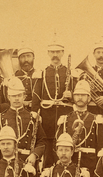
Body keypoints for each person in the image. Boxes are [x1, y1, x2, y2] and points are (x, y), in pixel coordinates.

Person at [32, 38, 73, 167]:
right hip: (47, 117)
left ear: (62, 53)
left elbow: (79, 97)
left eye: (58, 51)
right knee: (48, 150)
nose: (55, 55)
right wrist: (35, 115)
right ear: (48, 53)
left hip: (65, 115)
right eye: (52, 52)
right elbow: (36, 96)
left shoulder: (71, 73)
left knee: (64, 144)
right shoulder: (42, 73)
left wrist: (70, 95)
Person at [57, 79, 103, 177]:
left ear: (89, 98)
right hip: (70, 161)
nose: (80, 97)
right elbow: (58, 145)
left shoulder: (96, 119)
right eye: (77, 95)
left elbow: (100, 146)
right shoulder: (65, 119)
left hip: (90, 162)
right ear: (73, 97)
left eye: (83, 95)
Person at [0, 77, 45, 165]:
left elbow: (41, 141)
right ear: (8, 97)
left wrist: (34, 154)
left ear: (24, 97)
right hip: (6, 162)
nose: (16, 98)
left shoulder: (33, 117)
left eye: (19, 95)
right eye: (13, 96)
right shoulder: (0, 118)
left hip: (28, 161)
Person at [80, 39, 103, 118]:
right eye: (98, 52)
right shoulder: (86, 73)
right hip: (90, 110)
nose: (101, 55)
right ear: (94, 54)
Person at [14, 45, 38, 110]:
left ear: (33, 57)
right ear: (18, 59)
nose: (26, 60)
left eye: (28, 56)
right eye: (23, 57)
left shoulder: (39, 75)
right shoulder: (15, 76)